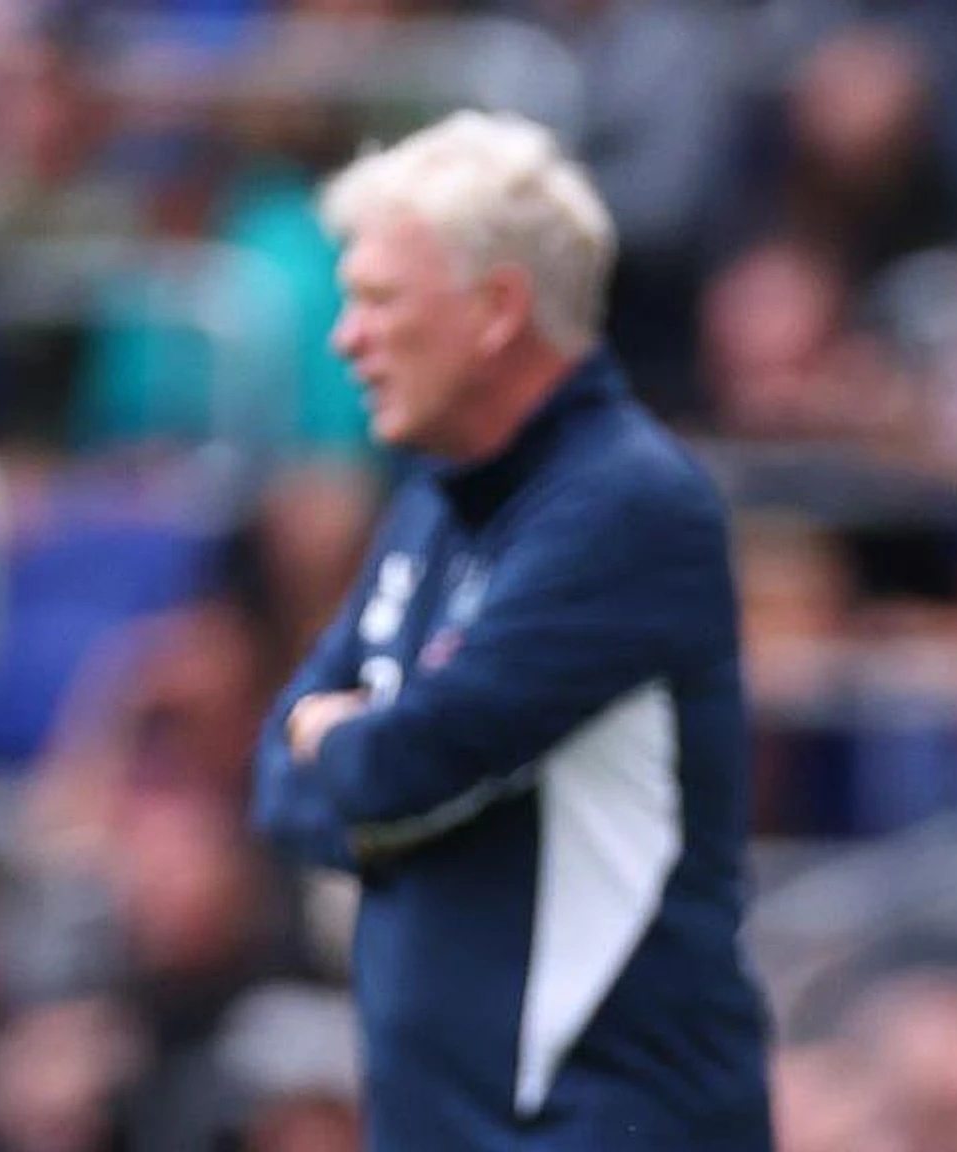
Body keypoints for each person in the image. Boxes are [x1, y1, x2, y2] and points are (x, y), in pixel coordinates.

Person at [247, 111, 773, 1149]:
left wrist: (357, 749)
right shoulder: (433, 503)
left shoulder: (629, 505)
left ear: (496, 310)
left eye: (379, 300)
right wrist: (366, 760)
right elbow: (279, 779)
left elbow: (403, 764)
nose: (346, 338)